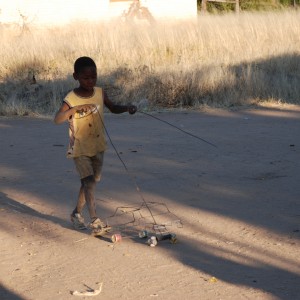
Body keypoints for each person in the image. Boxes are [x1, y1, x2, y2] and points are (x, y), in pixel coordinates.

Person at [54, 56, 137, 236]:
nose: (90, 81)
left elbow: (113, 107)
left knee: (90, 183)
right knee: (89, 182)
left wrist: (127, 108)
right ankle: (95, 220)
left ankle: (76, 213)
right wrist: (73, 110)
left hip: (98, 146)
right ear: (75, 76)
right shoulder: (71, 98)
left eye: (94, 77)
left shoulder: (100, 93)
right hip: (80, 148)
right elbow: (57, 119)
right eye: (86, 78)